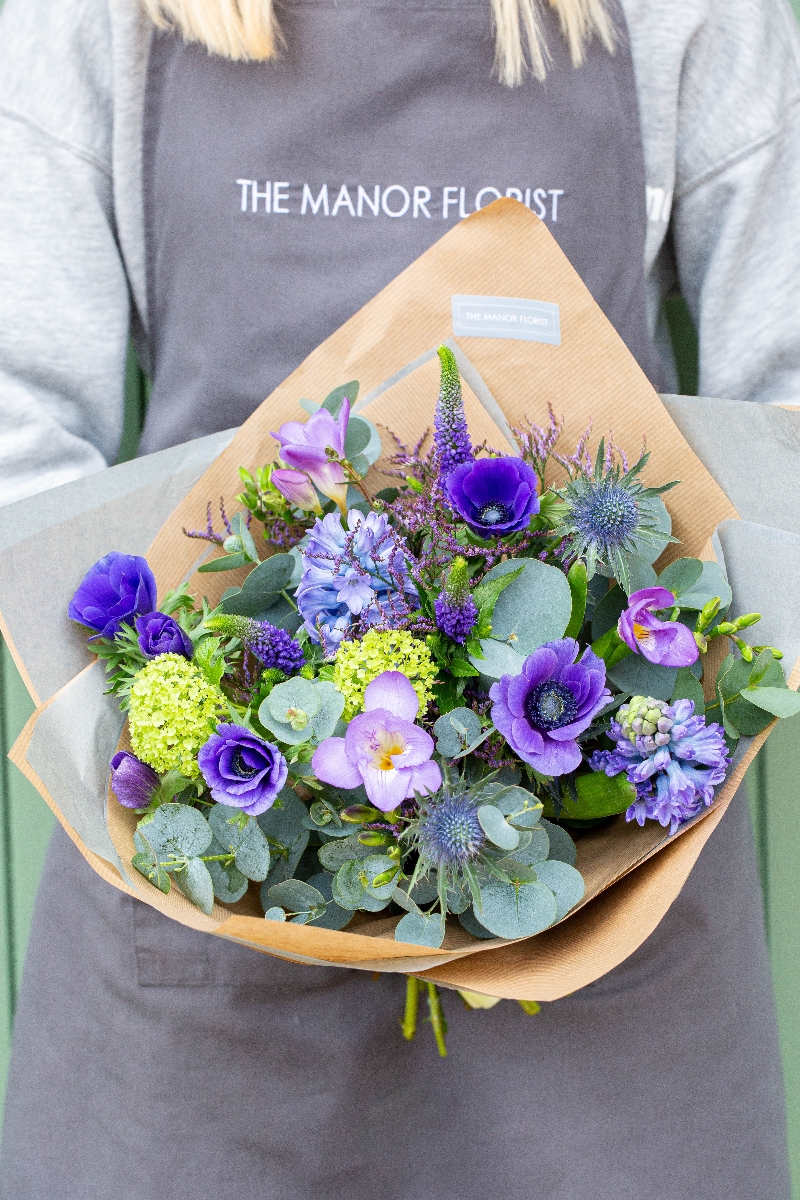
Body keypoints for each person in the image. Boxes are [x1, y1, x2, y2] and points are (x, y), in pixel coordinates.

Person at [0, 0, 797, 1194]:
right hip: (206, 900)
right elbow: (18, 432)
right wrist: (184, 727)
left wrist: (614, 729)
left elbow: (782, 413)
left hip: (600, 895)